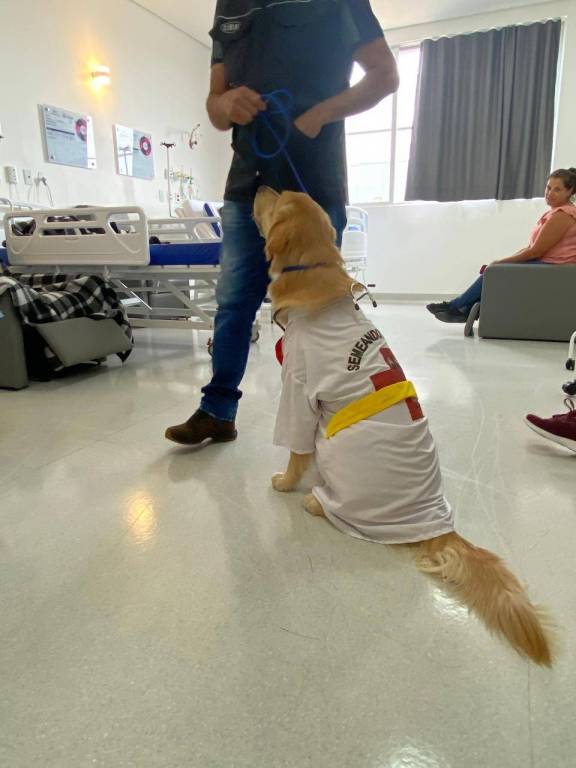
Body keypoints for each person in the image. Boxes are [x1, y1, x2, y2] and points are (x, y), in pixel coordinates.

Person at [165, 0, 399, 446]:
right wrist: (225, 102)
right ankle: (217, 411)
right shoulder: (230, 6)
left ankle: (331, 415)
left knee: (315, 311)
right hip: (247, 185)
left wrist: (320, 114)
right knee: (233, 304)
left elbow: (385, 76)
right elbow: (215, 108)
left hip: (313, 185)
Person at [427, 168, 576, 323]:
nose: (550, 193)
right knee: (495, 269)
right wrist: (502, 261)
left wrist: (499, 263)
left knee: (494, 271)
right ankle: (462, 308)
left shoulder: (563, 215)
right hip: (547, 264)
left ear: (569, 191)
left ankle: (456, 307)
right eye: (548, 187)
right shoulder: (555, 213)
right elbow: (530, 248)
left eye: (557, 189)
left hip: (555, 268)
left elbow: (535, 252)